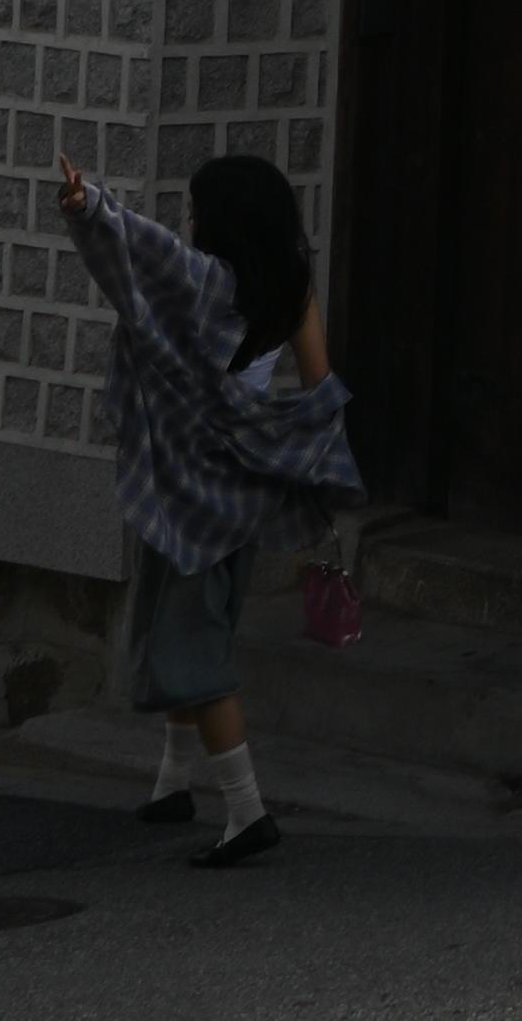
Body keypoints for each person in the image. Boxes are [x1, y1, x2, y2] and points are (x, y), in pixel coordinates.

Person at [57, 149, 358, 866]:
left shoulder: (202, 281)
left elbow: (138, 246)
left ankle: (247, 811)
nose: (186, 220)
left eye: (194, 209)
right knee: (189, 629)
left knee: (196, 652)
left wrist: (87, 205)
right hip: (238, 494)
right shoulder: (290, 289)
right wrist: (289, 459)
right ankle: (173, 782)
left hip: (185, 490)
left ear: (222, 221)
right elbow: (320, 391)